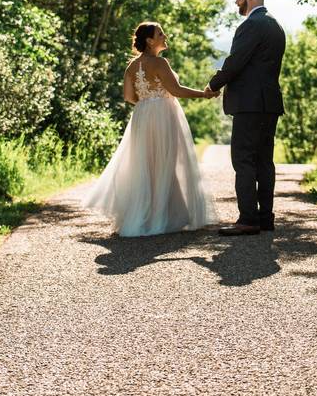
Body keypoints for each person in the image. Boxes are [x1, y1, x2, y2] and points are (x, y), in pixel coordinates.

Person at [81, 22, 219, 237]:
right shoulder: (160, 63)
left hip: (143, 116)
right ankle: (162, 217)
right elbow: (176, 90)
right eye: (160, 33)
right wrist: (204, 94)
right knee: (165, 163)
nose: (165, 36)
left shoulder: (132, 66)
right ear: (149, 40)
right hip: (163, 115)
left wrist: (147, 100)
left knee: (145, 164)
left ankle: (143, 216)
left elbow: (128, 97)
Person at [206, 0, 286, 236]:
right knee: (264, 161)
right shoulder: (276, 25)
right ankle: (265, 218)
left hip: (250, 106)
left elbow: (235, 62)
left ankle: (248, 219)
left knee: (243, 160)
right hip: (269, 104)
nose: (236, 2)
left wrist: (212, 85)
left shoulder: (251, 25)